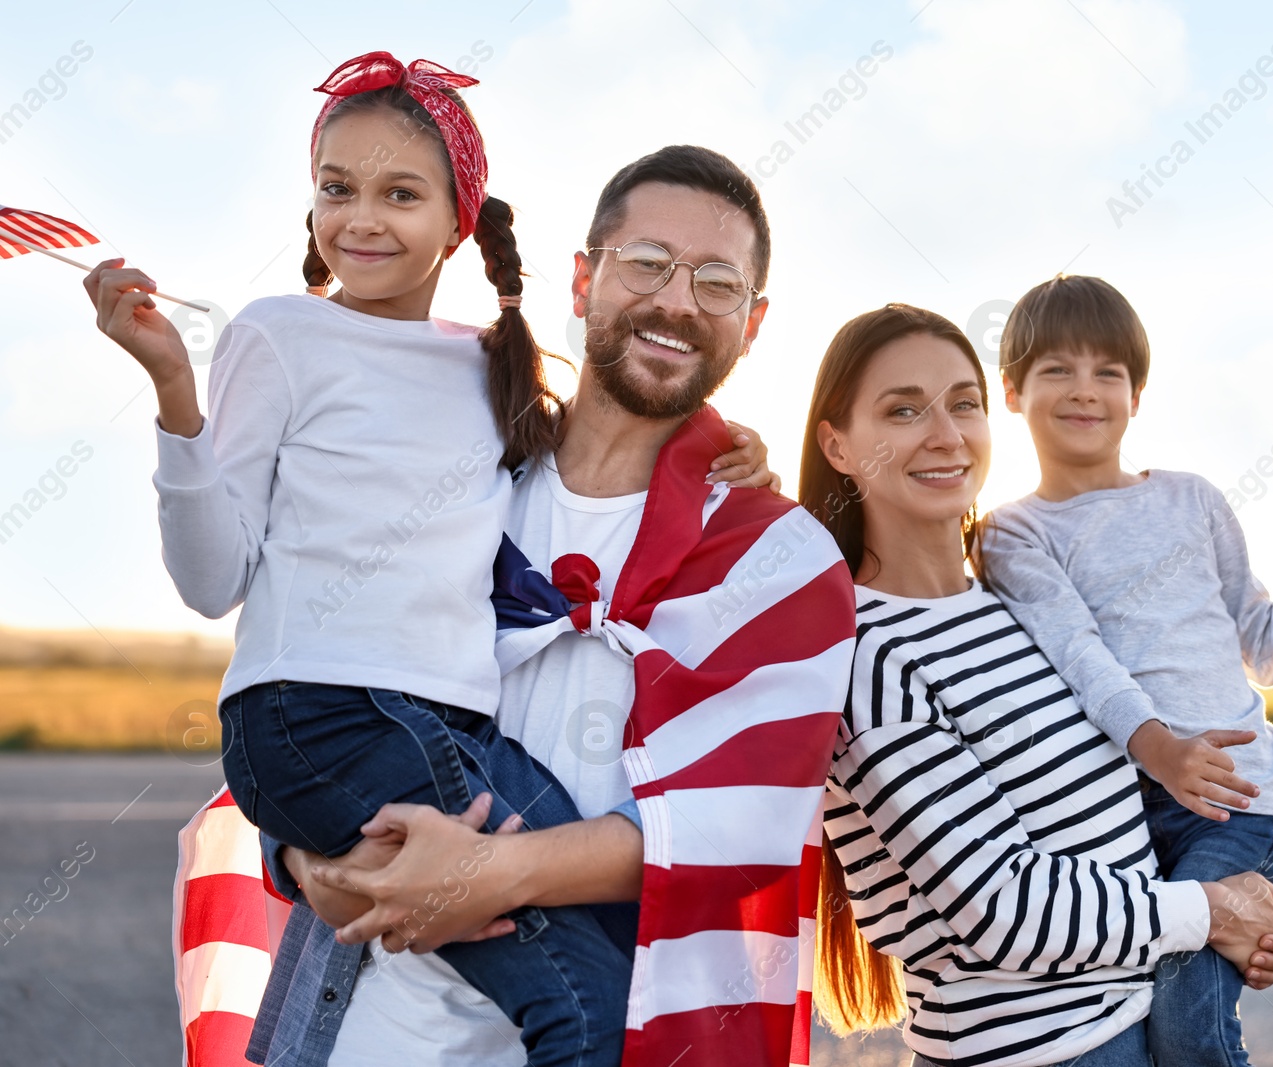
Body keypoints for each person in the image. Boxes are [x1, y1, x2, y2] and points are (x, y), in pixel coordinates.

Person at [87, 53, 769, 1065]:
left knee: (626, 951)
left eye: (399, 193)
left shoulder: (491, 367)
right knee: (587, 1004)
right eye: (336, 189)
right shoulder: (278, 336)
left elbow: (607, 429)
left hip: (434, 724)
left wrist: (717, 442)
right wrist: (175, 398)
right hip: (326, 710)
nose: (361, 219)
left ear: (459, 218)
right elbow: (209, 577)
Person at [243, 145, 857, 1067]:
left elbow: (739, 820)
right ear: (583, 277)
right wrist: (305, 862)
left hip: (601, 1032)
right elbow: (318, 677)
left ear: (753, 322)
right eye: (648, 262)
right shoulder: (459, 478)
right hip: (365, 1025)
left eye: (718, 282)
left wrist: (489, 873)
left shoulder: (780, 556)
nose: (678, 301)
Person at [798, 304, 1273, 1067]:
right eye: (903, 409)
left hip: (1135, 1023)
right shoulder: (867, 656)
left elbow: (1118, 815)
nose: (945, 434)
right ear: (836, 442)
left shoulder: (1018, 604)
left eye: (963, 403)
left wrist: (1258, 899)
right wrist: (1213, 910)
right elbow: (1006, 908)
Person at [978, 274, 1273, 1066]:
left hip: (1233, 797)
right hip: (1112, 812)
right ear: (1011, 391)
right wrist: (1158, 748)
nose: (1085, 391)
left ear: (1138, 395)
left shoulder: (1195, 500)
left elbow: (1268, 643)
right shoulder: (1015, 531)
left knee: (1187, 1013)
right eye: (1057, 370)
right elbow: (1080, 654)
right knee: (1124, 1015)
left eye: (1108, 372)